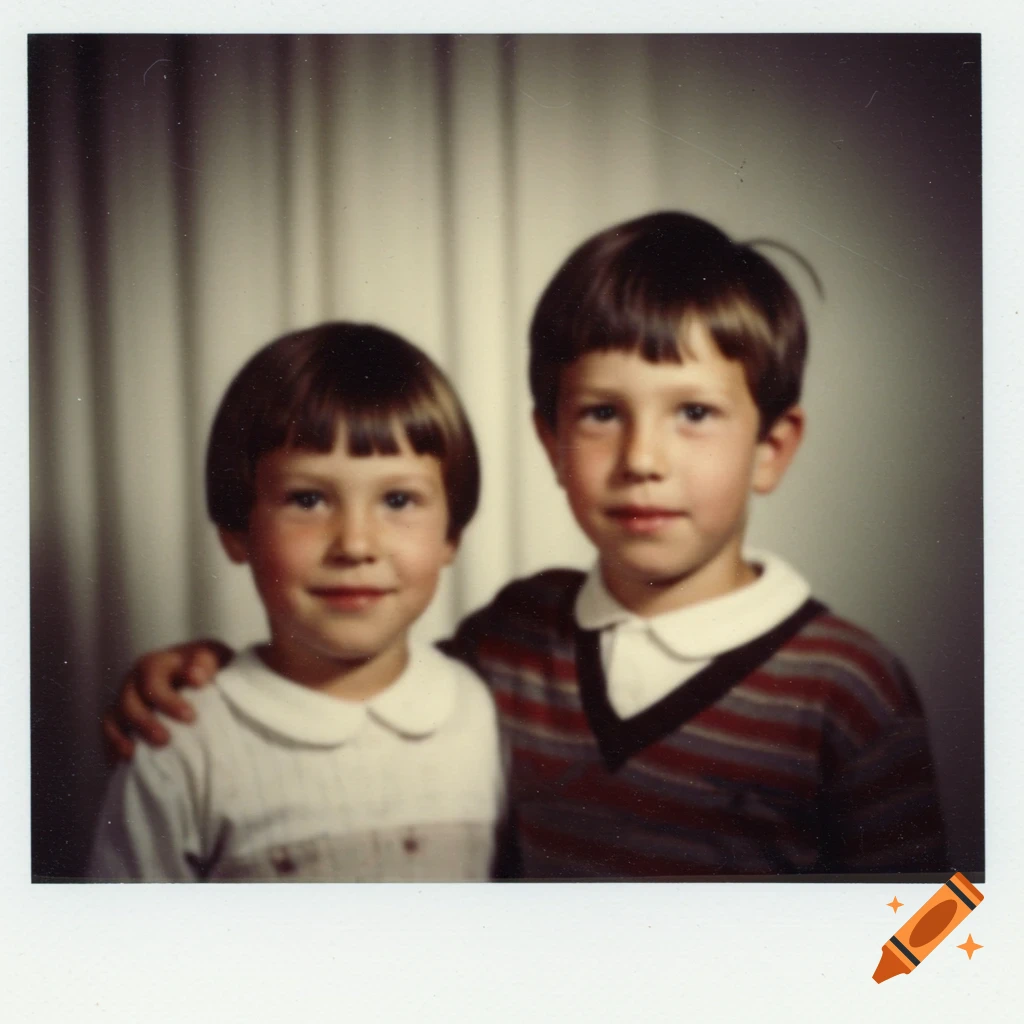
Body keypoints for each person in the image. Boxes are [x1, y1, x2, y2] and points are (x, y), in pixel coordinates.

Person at [104, 211, 948, 878]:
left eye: (693, 413)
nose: (642, 460)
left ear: (771, 447)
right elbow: (360, 673)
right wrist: (207, 668)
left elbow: (942, 920)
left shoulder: (846, 686)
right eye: (600, 414)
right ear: (550, 442)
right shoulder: (513, 638)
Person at [90, 323, 504, 881]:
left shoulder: (482, 714)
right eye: (307, 499)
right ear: (237, 528)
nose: (356, 543)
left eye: (399, 499)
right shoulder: (182, 745)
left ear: (451, 534)